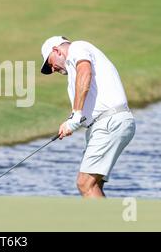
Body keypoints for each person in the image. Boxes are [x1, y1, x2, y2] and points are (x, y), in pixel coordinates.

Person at [40, 36, 136, 198]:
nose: (53, 69)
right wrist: (73, 119)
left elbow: (85, 71)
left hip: (109, 122)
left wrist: (76, 115)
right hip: (104, 125)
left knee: (85, 183)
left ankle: (105, 224)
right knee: (94, 184)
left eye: (50, 64)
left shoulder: (78, 47)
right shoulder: (72, 71)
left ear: (56, 50)